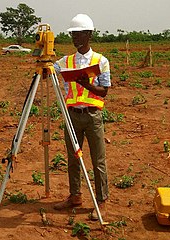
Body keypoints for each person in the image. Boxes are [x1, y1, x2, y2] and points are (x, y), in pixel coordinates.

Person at [53, 13, 111, 220]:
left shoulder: (101, 61)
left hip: (93, 116)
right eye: (72, 34)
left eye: (78, 34)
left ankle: (101, 200)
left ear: (89, 34)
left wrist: (87, 85)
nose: (74, 38)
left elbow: (104, 91)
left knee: (98, 160)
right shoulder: (65, 61)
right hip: (72, 116)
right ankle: (75, 195)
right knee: (73, 159)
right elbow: (49, 69)